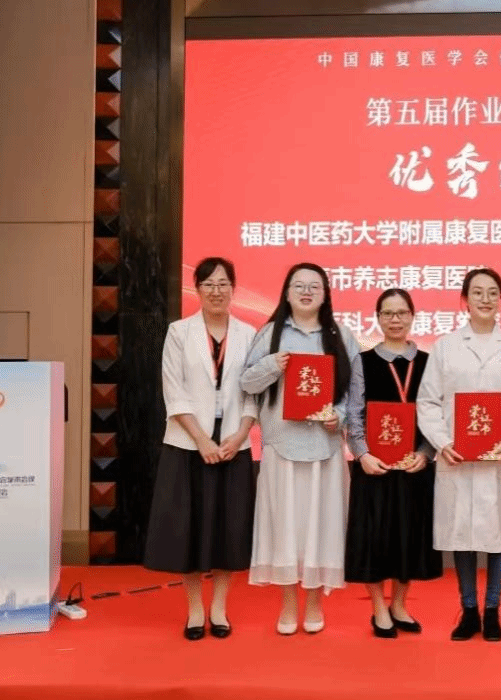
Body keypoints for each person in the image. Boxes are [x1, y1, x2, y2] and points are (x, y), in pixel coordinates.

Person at [241, 263, 364, 636]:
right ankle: (288, 604)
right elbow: (247, 383)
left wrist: (338, 416)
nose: (306, 292)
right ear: (286, 293)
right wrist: (272, 365)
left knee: (320, 529)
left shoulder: (341, 336)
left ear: (325, 294)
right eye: (299, 285)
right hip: (282, 445)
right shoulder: (270, 335)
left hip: (324, 448)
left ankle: (313, 604)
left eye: (314, 286)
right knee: (285, 528)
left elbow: (355, 394)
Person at [417, 268, 501, 642]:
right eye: (478, 292)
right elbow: (428, 401)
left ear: (500, 299)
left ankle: (493, 610)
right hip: (458, 458)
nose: (485, 299)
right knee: (462, 533)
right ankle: (469, 610)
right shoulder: (446, 347)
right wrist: (442, 441)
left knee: (498, 534)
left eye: (492, 292)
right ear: (465, 300)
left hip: (499, 458)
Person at [144, 257, 258, 641]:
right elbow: (173, 391)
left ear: (233, 289)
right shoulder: (179, 332)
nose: (216, 291)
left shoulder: (249, 334)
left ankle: (219, 607)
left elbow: (254, 392)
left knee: (229, 529)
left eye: (223, 283)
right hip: (188, 443)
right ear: (197, 289)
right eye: (208, 284)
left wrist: (240, 435)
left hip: (232, 443)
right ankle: (195, 609)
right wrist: (201, 440)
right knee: (188, 530)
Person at [344, 288, 443, 638]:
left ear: (412, 316)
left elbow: (436, 413)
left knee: (408, 538)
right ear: (378, 318)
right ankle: (378, 608)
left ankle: (399, 604)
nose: (395, 319)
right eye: (388, 313)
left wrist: (426, 453)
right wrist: (362, 454)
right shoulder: (363, 361)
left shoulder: (429, 363)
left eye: (401, 313)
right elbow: (354, 413)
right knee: (373, 538)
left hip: (414, 465)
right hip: (374, 467)